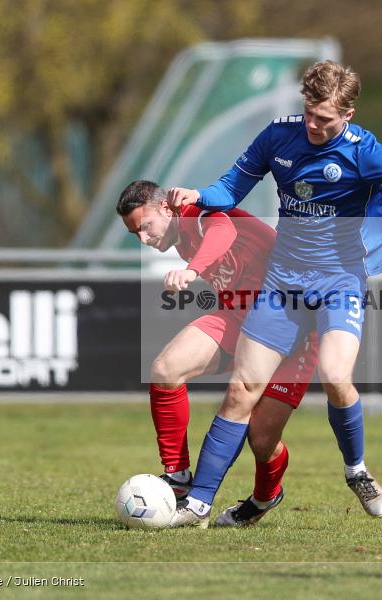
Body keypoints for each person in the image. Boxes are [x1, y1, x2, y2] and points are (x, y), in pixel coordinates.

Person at [164, 60, 382, 527]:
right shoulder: (279, 136)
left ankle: (356, 470)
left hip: (340, 283)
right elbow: (232, 186)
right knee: (242, 391)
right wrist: (198, 194)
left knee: (336, 377)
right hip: (283, 282)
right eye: (309, 113)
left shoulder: (364, 152)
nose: (313, 125)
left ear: (348, 114)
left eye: (325, 119)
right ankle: (198, 504)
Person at [117, 179, 319, 527]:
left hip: (294, 324)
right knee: (166, 369)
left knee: (262, 438)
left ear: (166, 208)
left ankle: (265, 495)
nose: (144, 240)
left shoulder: (196, 213)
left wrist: (192, 270)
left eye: (145, 227)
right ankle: (180, 478)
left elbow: (222, 232)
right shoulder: (179, 238)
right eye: (136, 234)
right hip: (240, 316)